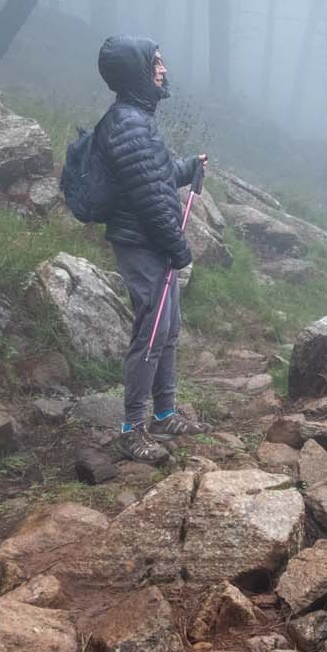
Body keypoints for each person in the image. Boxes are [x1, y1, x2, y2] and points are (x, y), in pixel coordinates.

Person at [94, 35, 213, 463]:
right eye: (155, 63)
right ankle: (132, 428)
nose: (163, 69)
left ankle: (163, 414)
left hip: (150, 241)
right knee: (151, 334)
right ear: (136, 72)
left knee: (169, 328)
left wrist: (186, 168)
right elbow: (149, 199)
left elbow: (154, 176)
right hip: (142, 243)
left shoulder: (136, 119)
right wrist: (179, 248)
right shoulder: (128, 123)